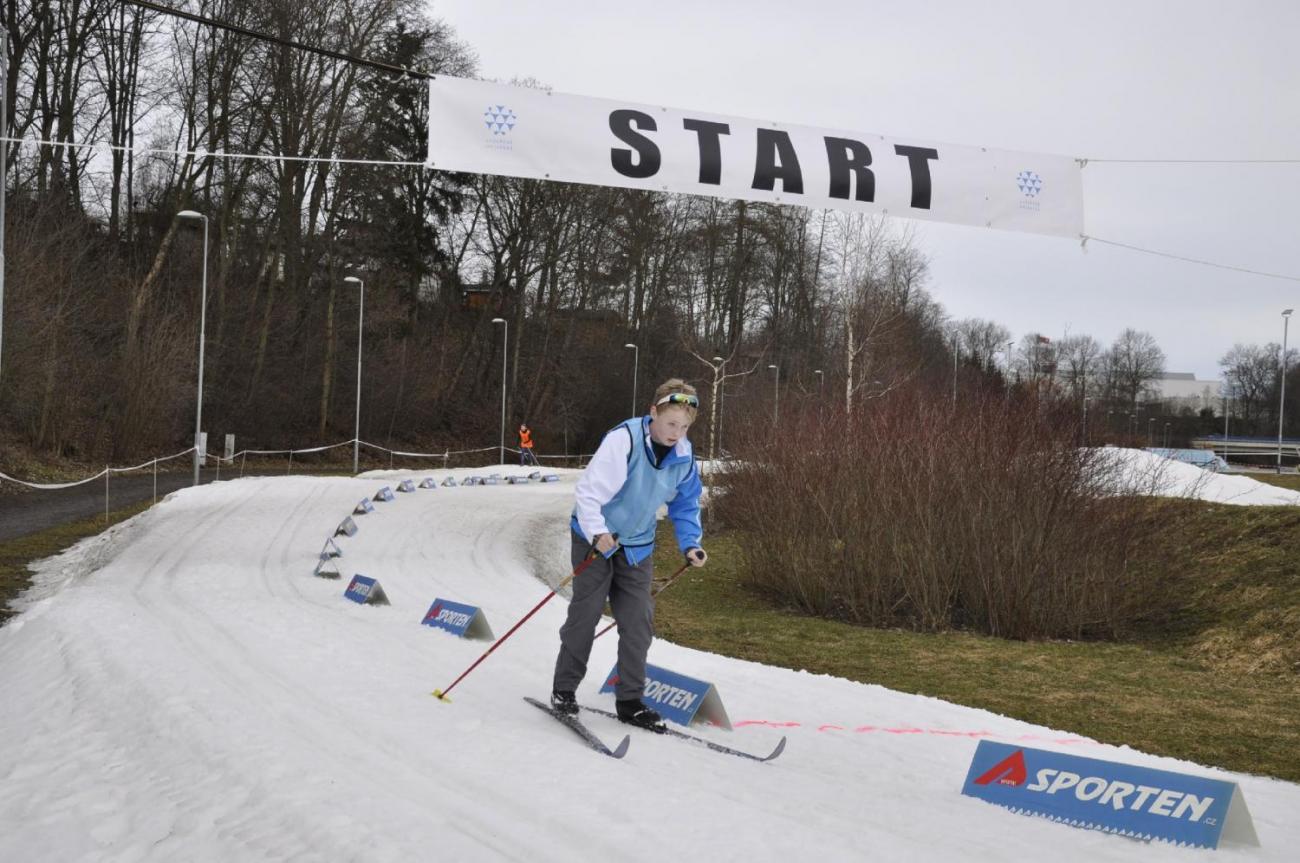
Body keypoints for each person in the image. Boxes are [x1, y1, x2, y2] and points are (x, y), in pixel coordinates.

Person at [551, 379, 708, 731]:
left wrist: (691, 543)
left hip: (637, 546)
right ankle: (564, 690)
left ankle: (631, 701)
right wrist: (597, 532)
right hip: (597, 539)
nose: (676, 433)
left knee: (638, 622)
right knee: (586, 615)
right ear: (653, 412)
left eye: (683, 427)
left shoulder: (683, 455)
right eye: (670, 424)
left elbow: (685, 503)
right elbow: (589, 493)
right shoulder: (624, 440)